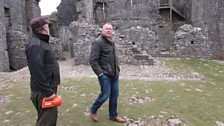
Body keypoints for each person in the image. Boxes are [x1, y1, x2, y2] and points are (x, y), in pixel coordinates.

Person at [25, 16, 60, 126]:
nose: (48, 27)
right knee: (46, 121)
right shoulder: (36, 45)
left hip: (47, 88)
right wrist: (48, 92)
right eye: (47, 25)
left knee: (50, 117)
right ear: (45, 27)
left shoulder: (41, 42)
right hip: (43, 91)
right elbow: (36, 71)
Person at [89, 23, 125, 123]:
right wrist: (100, 74)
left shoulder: (112, 42)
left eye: (110, 29)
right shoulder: (98, 42)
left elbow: (113, 57)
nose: (109, 30)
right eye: (106, 29)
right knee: (105, 95)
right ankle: (93, 110)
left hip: (114, 74)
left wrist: (117, 68)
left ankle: (113, 115)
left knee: (114, 96)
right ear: (102, 30)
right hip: (105, 75)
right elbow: (93, 61)